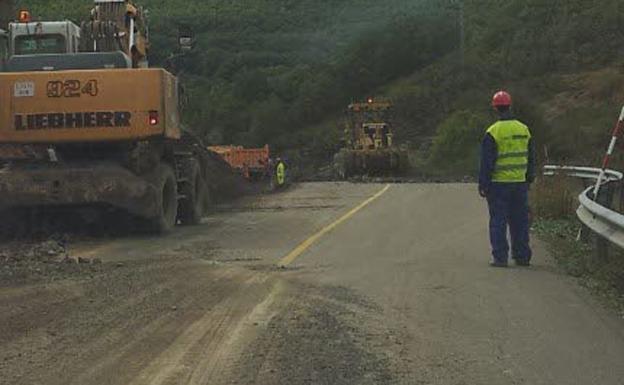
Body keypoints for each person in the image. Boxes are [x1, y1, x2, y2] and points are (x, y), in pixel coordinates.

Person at [479, 91, 535, 268]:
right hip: (519, 183)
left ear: (495, 108)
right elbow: (531, 157)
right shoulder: (523, 129)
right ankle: (522, 257)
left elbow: (487, 162)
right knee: (520, 221)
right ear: (510, 105)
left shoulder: (493, 132)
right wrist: (529, 177)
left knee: (498, 221)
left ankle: (500, 258)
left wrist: (483, 184)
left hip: (498, 185)